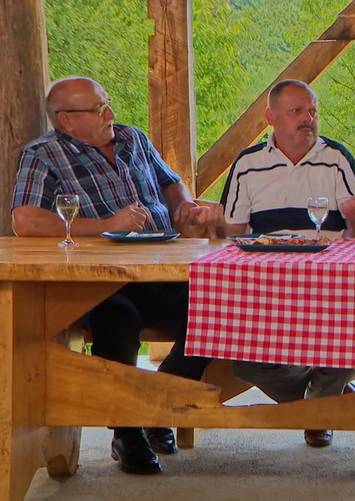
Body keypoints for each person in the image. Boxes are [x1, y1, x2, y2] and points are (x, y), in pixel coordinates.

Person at [12, 76, 222, 474]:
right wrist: (107, 223)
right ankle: (127, 432)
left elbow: (170, 181)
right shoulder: (44, 154)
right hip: (99, 278)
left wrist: (185, 207)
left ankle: (155, 408)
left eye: (107, 104)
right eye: (98, 109)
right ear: (67, 120)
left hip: (164, 265)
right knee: (117, 318)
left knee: (217, 307)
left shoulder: (132, 137)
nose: (110, 114)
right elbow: (26, 220)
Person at [220, 80, 355, 448]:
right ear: (271, 118)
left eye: (313, 111)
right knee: (241, 357)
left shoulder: (336, 157)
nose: (308, 119)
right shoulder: (247, 163)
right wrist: (207, 217)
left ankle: (317, 412)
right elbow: (231, 233)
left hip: (330, 282)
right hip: (267, 283)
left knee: (350, 334)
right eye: (297, 111)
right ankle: (323, 398)